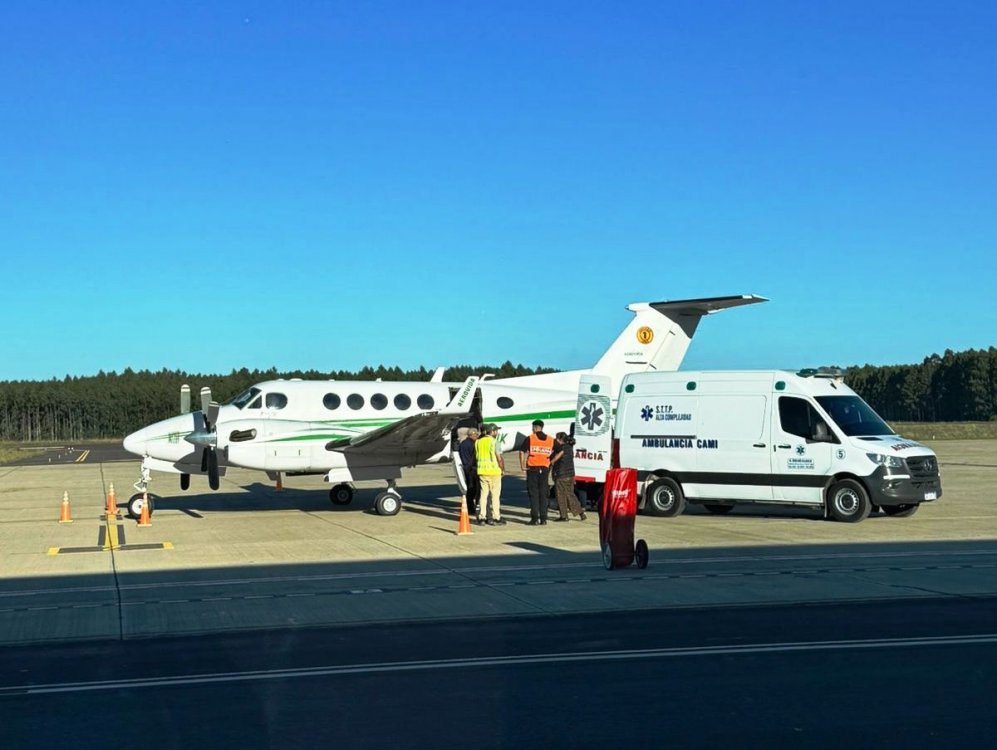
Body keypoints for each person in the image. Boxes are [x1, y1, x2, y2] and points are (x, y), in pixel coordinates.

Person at [519, 419, 554, 525]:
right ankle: (543, 519)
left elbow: (522, 451)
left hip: (533, 469)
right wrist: (550, 461)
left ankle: (534, 518)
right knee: (543, 494)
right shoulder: (551, 439)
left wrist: (522, 465)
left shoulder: (530, 438)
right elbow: (559, 450)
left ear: (534, 427)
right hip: (544, 469)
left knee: (534, 494)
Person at [475, 423, 506, 525]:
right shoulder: (495, 442)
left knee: (483, 495)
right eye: (496, 431)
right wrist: (502, 469)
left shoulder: (478, 442)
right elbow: (499, 457)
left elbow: (476, 456)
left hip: (482, 471)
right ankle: (496, 517)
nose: (497, 433)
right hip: (494, 471)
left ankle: (482, 517)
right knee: (495, 496)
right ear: (492, 432)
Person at [550, 431, 585, 521]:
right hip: (570, 474)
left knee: (561, 496)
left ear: (560, 439)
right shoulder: (569, 447)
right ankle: (580, 513)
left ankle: (564, 516)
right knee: (570, 494)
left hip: (561, 475)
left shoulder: (560, 448)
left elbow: (553, 459)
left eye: (557, 438)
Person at [457, 428, 480, 517]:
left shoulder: (463, 444)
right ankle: (471, 508)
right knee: (472, 490)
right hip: (471, 470)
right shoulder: (472, 444)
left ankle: (470, 507)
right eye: (476, 435)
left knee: (470, 490)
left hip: (466, 468)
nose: (477, 436)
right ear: (472, 434)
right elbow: (473, 458)